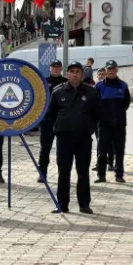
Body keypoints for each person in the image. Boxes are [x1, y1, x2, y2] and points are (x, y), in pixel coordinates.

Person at [48, 61, 100, 213]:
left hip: (83, 138)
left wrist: (87, 126)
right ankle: (62, 205)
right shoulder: (58, 92)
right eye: (72, 71)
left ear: (82, 75)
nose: (75, 74)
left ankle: (84, 204)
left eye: (78, 71)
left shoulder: (91, 92)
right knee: (63, 171)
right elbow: (51, 114)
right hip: (64, 139)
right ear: (67, 74)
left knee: (83, 172)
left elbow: (97, 114)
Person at [95, 60, 130, 183]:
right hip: (104, 124)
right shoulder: (99, 86)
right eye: (109, 69)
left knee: (119, 151)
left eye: (113, 69)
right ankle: (101, 175)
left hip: (119, 124)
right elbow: (95, 104)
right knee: (102, 151)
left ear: (116, 70)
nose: (111, 71)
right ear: (106, 70)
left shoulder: (123, 85)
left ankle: (119, 175)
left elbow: (126, 103)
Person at [37, 60, 66, 182]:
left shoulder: (66, 82)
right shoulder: (43, 81)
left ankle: (62, 174)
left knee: (63, 149)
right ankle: (42, 174)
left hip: (62, 120)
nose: (55, 69)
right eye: (53, 67)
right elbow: (38, 98)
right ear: (50, 68)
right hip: (47, 121)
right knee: (45, 148)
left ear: (61, 68)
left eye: (58, 67)